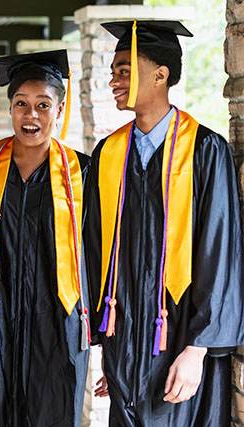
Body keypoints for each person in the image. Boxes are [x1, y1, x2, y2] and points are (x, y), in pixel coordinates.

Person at [84, 20, 244, 426]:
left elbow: (219, 251)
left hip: (178, 340)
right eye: (113, 71)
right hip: (126, 343)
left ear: (160, 75)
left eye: (124, 70)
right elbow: (97, 248)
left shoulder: (204, 150)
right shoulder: (109, 155)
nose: (113, 81)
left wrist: (198, 349)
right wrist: (113, 350)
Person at [0, 49, 91, 427]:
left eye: (43, 105)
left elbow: (96, 254)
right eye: (21, 104)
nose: (31, 115)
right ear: (11, 108)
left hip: (57, 320)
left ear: (59, 110)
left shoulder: (84, 174)